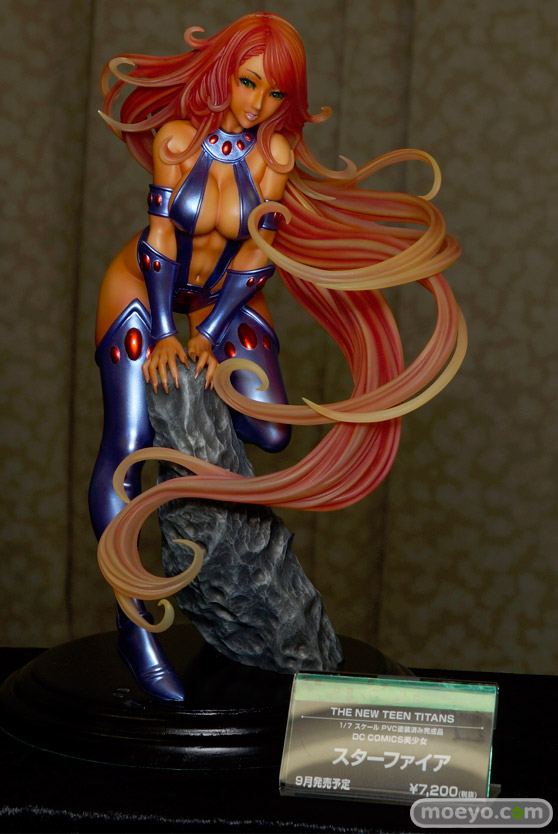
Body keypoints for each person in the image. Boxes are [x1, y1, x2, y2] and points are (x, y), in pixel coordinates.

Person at [92, 13, 465, 701]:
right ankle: (135, 628)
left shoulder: (275, 157)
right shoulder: (178, 140)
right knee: (130, 444)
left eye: (274, 92)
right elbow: (159, 243)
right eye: (247, 83)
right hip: (144, 291)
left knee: (269, 431)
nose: (257, 103)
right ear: (223, 75)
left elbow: (256, 255)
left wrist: (208, 335)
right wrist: (169, 335)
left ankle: (208, 505)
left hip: (220, 301)